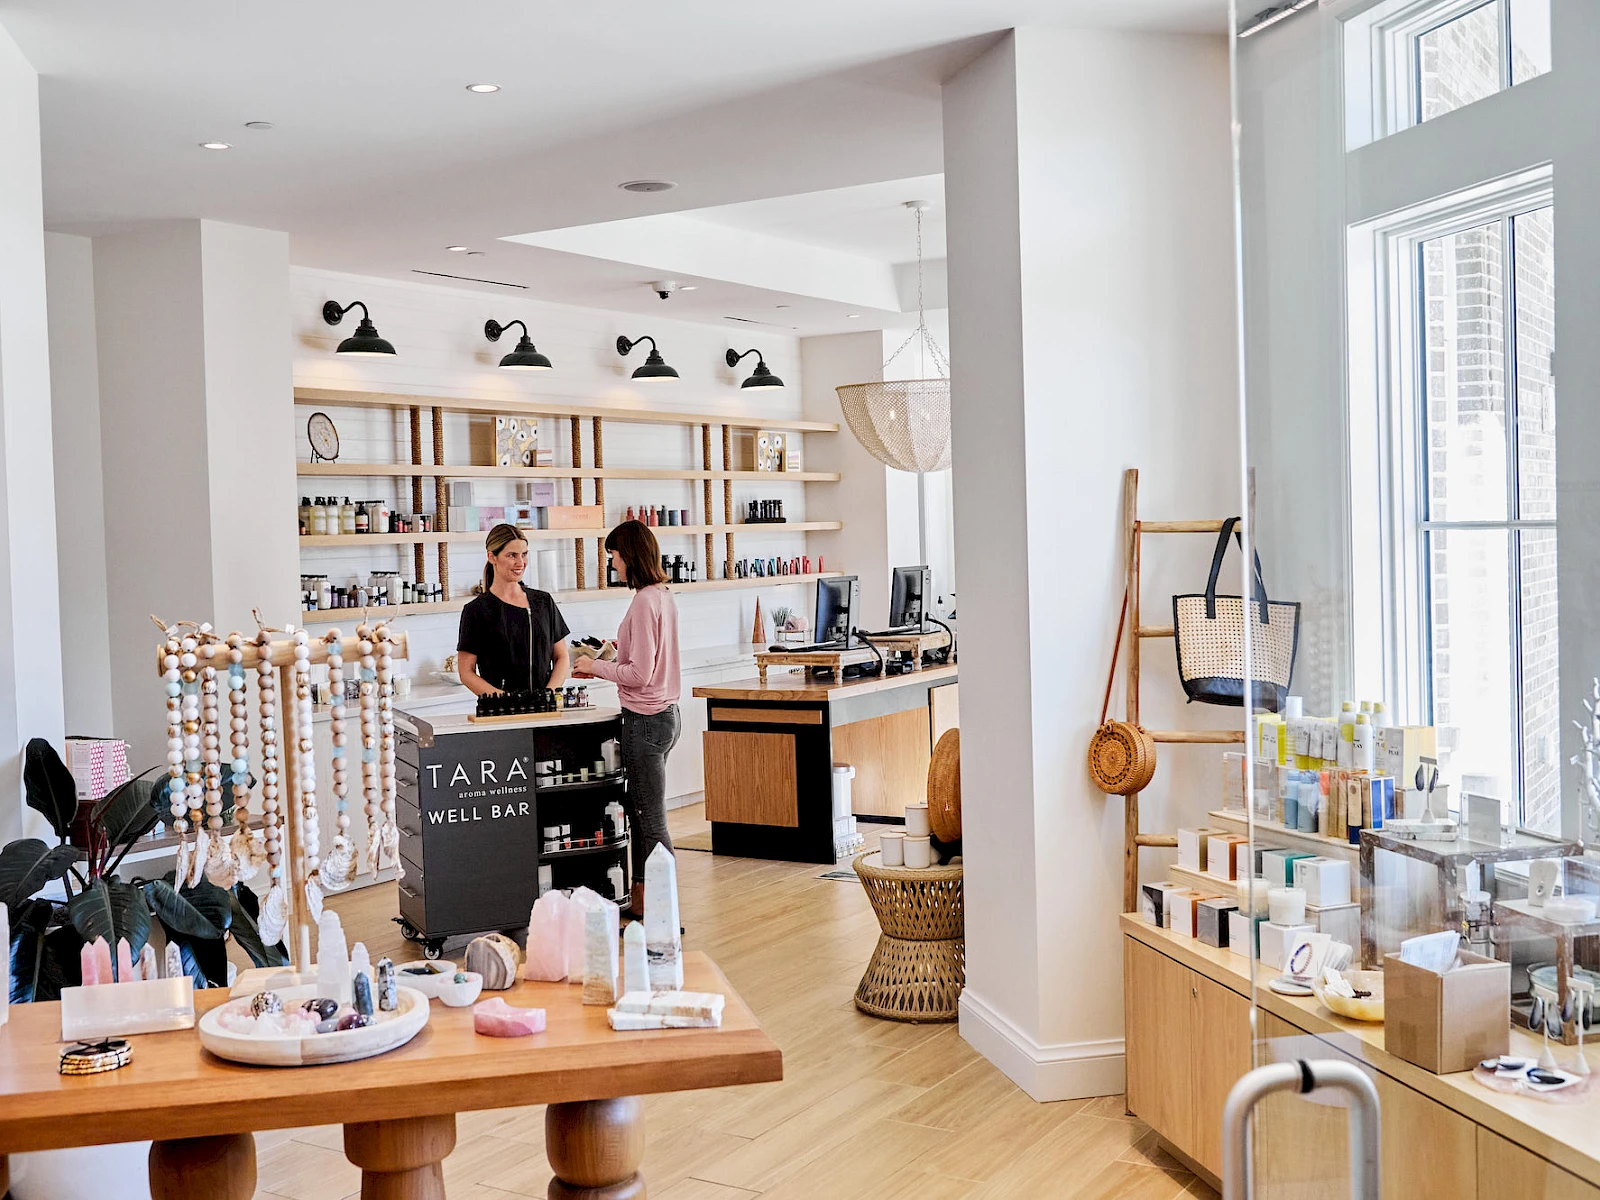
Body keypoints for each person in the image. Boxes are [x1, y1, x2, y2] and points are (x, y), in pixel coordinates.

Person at [573, 519, 680, 916]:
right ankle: (643, 905)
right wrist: (611, 657)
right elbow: (644, 661)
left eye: (614, 556)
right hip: (666, 717)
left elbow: (640, 675)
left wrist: (595, 667)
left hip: (645, 722)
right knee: (641, 815)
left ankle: (663, 912)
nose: (613, 564)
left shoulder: (643, 601)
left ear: (629, 555)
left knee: (650, 822)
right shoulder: (662, 596)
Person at [456, 524, 571, 696]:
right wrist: (505, 700)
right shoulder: (476, 611)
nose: (520, 562)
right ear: (491, 557)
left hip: (545, 710)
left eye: (524, 554)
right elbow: (466, 672)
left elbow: (562, 657)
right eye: (512, 555)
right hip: (501, 712)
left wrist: (549, 694)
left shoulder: (543, 602)